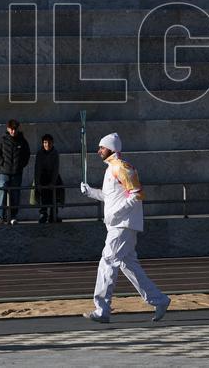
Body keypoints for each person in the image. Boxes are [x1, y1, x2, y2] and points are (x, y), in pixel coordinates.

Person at [79, 132, 170, 323]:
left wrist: (116, 214)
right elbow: (109, 197)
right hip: (117, 225)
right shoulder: (110, 169)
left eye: (102, 147)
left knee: (108, 261)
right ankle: (159, 300)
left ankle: (102, 309)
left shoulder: (122, 167)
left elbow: (137, 194)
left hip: (123, 225)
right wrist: (90, 192)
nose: (98, 151)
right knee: (128, 265)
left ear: (111, 148)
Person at [0, 119, 30, 225]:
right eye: (11, 129)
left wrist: (21, 165)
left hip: (17, 172)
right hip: (4, 172)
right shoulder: (2, 140)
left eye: (15, 129)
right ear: (8, 129)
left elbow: (27, 154)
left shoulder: (22, 140)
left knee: (15, 194)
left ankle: (13, 216)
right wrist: (2, 162)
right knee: (2, 193)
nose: (13, 131)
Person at [34, 133, 61, 224]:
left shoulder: (55, 153)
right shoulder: (39, 153)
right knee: (43, 196)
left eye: (49, 142)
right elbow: (37, 168)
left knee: (56, 195)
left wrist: (53, 182)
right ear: (42, 143)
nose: (47, 145)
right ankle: (43, 214)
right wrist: (37, 183)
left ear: (52, 143)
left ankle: (54, 214)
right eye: (45, 142)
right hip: (42, 177)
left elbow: (56, 168)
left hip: (53, 176)